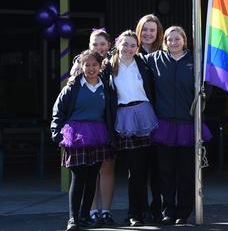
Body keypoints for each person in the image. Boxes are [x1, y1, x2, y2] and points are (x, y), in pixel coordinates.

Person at [144, 26, 212, 225]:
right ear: (164, 41)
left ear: (184, 40)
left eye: (177, 39)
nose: (173, 42)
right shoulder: (154, 59)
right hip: (164, 125)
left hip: (188, 125)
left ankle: (183, 212)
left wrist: (200, 107)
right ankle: (168, 211)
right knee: (165, 172)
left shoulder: (196, 61)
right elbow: (126, 58)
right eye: (169, 39)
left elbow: (207, 86)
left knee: (186, 172)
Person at [51, 50, 114, 231]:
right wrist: (56, 133)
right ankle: (73, 218)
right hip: (76, 135)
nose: (91, 68)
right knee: (78, 177)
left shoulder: (106, 86)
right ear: (81, 66)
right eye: (87, 65)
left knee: (92, 176)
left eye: (95, 64)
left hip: (99, 134)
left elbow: (110, 112)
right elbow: (58, 110)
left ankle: (86, 215)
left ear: (100, 66)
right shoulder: (72, 87)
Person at [108, 30, 158, 226]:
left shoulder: (143, 64)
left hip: (145, 115)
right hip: (125, 118)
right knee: (132, 169)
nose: (129, 48)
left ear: (137, 48)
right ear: (118, 44)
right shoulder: (109, 67)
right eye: (125, 44)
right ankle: (133, 213)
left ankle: (145, 210)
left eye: (132, 45)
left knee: (145, 168)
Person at [69, 29, 117, 226]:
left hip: (107, 123)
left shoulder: (115, 63)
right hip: (84, 127)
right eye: (95, 44)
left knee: (107, 167)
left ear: (109, 45)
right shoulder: (82, 66)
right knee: (87, 173)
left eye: (102, 44)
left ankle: (105, 211)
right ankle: (90, 212)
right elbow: (67, 99)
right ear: (89, 46)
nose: (99, 48)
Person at [135, 14, 164, 222]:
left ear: (158, 33)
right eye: (145, 29)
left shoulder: (164, 55)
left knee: (158, 167)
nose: (148, 33)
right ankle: (140, 209)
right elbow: (99, 61)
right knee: (138, 169)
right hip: (135, 121)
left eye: (152, 30)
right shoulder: (128, 53)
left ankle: (157, 208)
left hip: (160, 119)